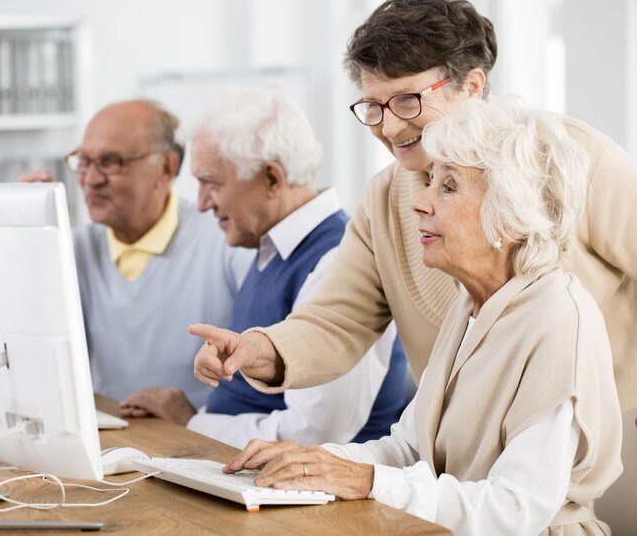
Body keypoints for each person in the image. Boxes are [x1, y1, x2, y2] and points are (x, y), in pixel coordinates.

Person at [191, 0, 637, 413]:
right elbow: (335, 322)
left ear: (473, 86)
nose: (389, 129)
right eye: (373, 107)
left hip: (604, 437)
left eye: (407, 101)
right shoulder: (384, 200)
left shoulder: (571, 157)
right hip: (471, 460)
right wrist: (254, 349)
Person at [220, 97, 623, 535]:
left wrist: (367, 481)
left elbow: (516, 508)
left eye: (448, 187)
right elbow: (410, 449)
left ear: (513, 215)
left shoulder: (558, 318)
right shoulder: (470, 305)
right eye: (430, 181)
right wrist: (313, 462)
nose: (419, 202)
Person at [120, 89, 409, 447]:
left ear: (272, 179)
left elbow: (311, 435)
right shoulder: (271, 250)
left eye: (211, 182)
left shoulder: (337, 259)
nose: (201, 203)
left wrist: (190, 421)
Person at [21, 100, 251, 407]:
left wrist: (197, 419)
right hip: (109, 437)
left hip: (198, 439)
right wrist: (22, 241)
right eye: (84, 161)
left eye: (111, 161)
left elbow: (264, 368)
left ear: (166, 168)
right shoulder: (71, 247)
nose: (90, 180)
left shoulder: (225, 238)